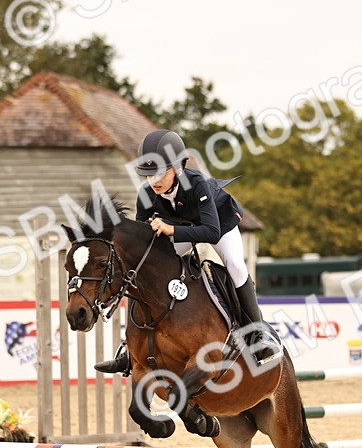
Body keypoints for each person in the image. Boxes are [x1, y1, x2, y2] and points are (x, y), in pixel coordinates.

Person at [96, 129, 278, 373]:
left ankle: (257, 333)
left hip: (218, 226)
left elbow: (211, 232)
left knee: (235, 265)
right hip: (182, 229)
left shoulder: (197, 185)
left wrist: (170, 229)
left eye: (160, 173)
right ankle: (129, 348)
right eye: (148, 175)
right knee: (140, 267)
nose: (154, 181)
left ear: (178, 168)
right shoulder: (147, 195)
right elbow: (141, 243)